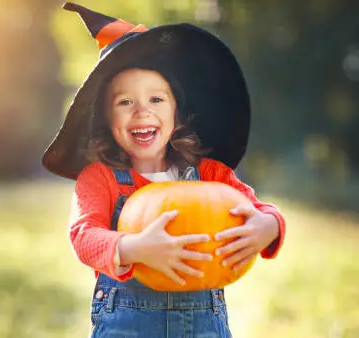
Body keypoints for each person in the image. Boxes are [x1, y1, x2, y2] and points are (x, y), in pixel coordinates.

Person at [41, 3, 287, 337]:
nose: (142, 111)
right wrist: (134, 248)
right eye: (125, 102)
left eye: (156, 100)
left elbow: (257, 209)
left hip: (203, 327)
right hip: (128, 327)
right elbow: (84, 235)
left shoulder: (210, 174)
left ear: (176, 112)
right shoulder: (100, 177)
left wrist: (268, 226)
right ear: (107, 119)